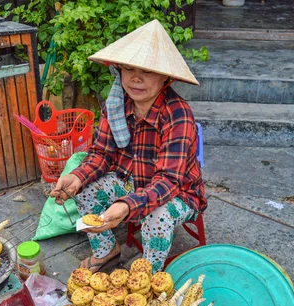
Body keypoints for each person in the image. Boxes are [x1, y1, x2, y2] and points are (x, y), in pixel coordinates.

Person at [49, 19, 207, 273]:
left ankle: (147, 276)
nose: (136, 78)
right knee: (86, 190)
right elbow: (100, 154)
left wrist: (126, 205)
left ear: (165, 76)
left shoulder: (178, 115)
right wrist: (77, 178)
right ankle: (106, 251)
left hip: (179, 191)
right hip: (131, 179)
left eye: (147, 71)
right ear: (119, 70)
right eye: (129, 68)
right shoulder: (116, 105)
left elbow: (168, 180)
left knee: (157, 217)